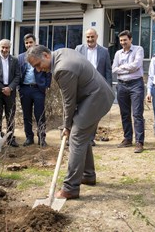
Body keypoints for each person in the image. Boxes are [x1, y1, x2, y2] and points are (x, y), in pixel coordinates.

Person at [26, 46, 115, 199]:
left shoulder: (63, 69)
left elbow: (69, 101)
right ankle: (88, 175)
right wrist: (67, 124)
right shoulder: (61, 53)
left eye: (38, 65)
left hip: (95, 98)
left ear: (46, 55)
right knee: (82, 135)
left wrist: (66, 126)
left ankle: (70, 188)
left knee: (76, 137)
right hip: (95, 96)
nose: (39, 70)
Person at [75, 28, 112, 147]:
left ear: (97, 37)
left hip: (98, 87)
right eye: (88, 37)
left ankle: (91, 138)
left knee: (95, 113)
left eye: (92, 37)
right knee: (82, 112)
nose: (90, 39)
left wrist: (109, 88)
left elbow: (108, 71)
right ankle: (82, 137)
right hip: (82, 86)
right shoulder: (78, 49)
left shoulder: (104, 51)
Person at [112, 30, 146, 153]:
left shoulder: (138, 50)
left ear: (130, 39)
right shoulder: (117, 53)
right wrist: (127, 68)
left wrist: (122, 68)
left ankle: (139, 142)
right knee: (124, 113)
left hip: (136, 84)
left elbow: (136, 65)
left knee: (137, 114)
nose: (123, 43)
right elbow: (114, 69)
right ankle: (127, 138)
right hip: (121, 85)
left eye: (125, 40)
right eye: (121, 40)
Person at [18, 34, 51, 147]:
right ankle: (29, 138)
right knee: (26, 115)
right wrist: (19, 88)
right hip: (25, 89)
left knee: (40, 114)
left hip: (38, 89)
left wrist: (47, 85)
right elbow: (18, 73)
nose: (28, 45)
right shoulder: (21, 57)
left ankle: (42, 138)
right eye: (26, 43)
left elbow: (48, 71)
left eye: (30, 42)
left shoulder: (41, 54)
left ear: (35, 42)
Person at [0, 39, 20, 147]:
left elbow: (18, 76)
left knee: (11, 115)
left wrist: (10, 88)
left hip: (10, 92)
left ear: (10, 48)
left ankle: (11, 138)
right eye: (2, 47)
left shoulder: (15, 60)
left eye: (7, 47)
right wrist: (3, 88)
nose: (4, 49)